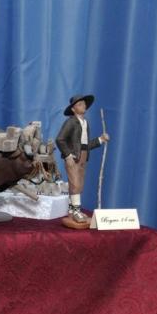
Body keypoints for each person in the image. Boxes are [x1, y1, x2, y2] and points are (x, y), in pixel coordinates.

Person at [55, 94, 110, 224]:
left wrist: (100, 139)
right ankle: (76, 211)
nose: (83, 106)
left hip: (83, 155)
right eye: (80, 104)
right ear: (73, 109)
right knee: (75, 183)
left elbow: (85, 145)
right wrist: (68, 155)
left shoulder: (85, 123)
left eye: (84, 104)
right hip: (73, 157)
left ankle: (71, 209)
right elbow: (60, 139)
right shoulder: (71, 122)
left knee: (79, 183)